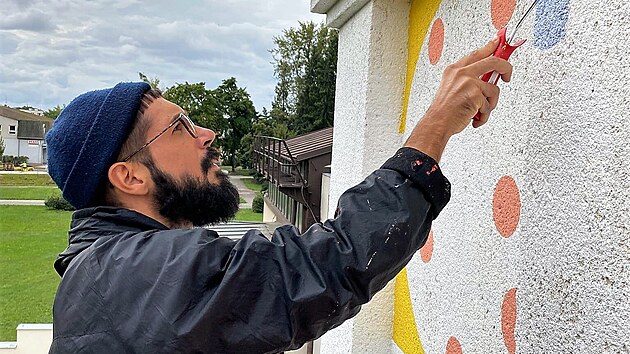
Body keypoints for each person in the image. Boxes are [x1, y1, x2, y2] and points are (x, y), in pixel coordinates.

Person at [45, 37, 511, 353]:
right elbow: (324, 265)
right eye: (179, 127)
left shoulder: (101, 276)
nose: (205, 133)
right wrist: (436, 126)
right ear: (129, 178)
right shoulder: (137, 273)